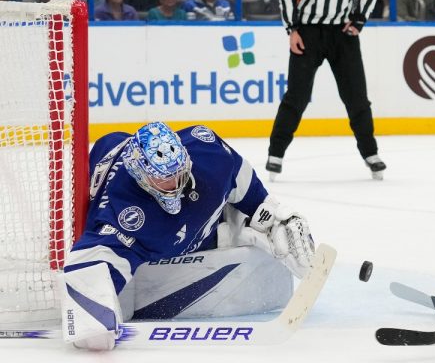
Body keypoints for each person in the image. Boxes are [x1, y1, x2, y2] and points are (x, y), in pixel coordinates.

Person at [60, 122, 314, 351]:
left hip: (137, 163)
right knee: (94, 332)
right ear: (141, 177)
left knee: (246, 216)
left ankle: (234, 226)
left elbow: (242, 179)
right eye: (163, 179)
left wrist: (269, 213)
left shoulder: (208, 153)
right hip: (112, 157)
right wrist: (92, 316)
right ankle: (228, 232)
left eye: (178, 172)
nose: (175, 183)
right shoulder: (123, 214)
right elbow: (87, 266)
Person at [269, 0, 385, 180]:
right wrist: (292, 30)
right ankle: (275, 153)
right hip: (309, 34)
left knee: (357, 97)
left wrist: (359, 20)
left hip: (343, 35)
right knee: (296, 97)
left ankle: (371, 153)